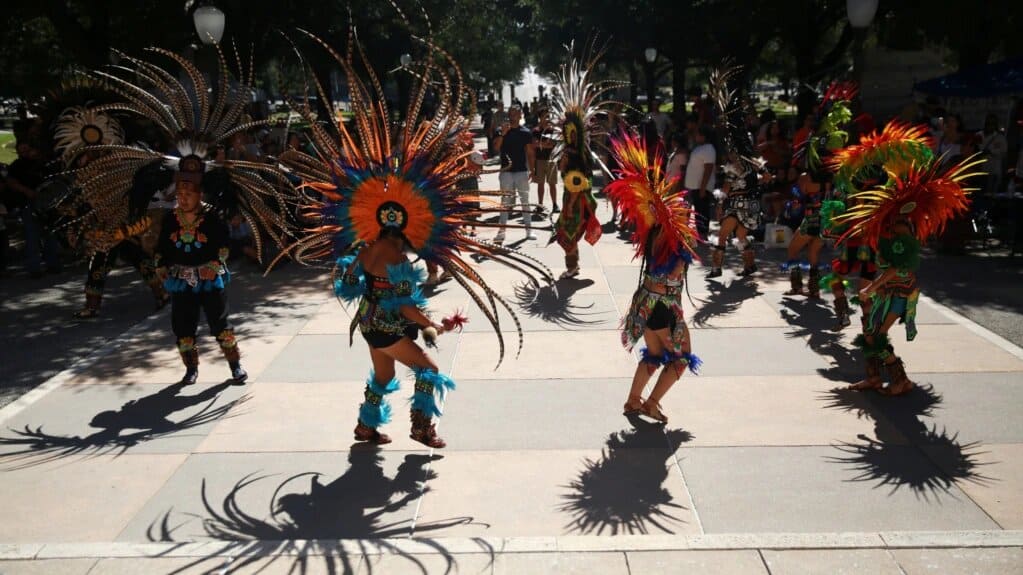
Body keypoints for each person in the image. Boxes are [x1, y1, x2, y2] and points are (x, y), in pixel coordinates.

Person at [279, 39, 554, 448]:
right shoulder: (394, 254)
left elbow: (352, 278)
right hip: (386, 325)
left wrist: (404, 310)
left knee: (384, 376)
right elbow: (403, 304)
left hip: (372, 324)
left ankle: (366, 427)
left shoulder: (371, 245)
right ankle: (421, 427)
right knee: (428, 372)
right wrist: (429, 324)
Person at [833, 146, 976, 395]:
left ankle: (902, 380)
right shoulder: (886, 223)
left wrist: (872, 287)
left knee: (876, 337)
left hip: (899, 291)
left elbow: (898, 267)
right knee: (869, 333)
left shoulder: (900, 227)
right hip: (885, 289)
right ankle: (874, 377)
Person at [605, 130, 701, 424]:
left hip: (646, 304)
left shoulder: (655, 234)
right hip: (664, 308)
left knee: (654, 354)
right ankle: (651, 403)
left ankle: (633, 400)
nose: (689, 217)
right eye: (685, 213)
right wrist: (687, 246)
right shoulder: (675, 243)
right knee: (681, 358)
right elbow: (673, 271)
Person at [155, 159, 246, 385]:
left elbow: (224, 246)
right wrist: (160, 265)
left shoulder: (212, 218)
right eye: (179, 194)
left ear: (200, 195)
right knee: (183, 326)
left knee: (220, 324)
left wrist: (214, 266)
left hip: (209, 279)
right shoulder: (170, 220)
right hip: (182, 280)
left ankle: (235, 366)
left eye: (188, 194)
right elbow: (162, 248)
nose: (182, 198)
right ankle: (191, 369)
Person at [548, 45, 614, 278]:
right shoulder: (574, 154)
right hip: (576, 196)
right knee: (568, 234)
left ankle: (572, 267)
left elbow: (576, 183)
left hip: (576, 198)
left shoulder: (576, 157)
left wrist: (568, 207)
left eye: (574, 133)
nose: (570, 136)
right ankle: (573, 266)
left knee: (566, 233)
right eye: (569, 132)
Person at [493, 105, 537, 243]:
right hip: (506, 171)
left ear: (520, 115)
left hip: (521, 171)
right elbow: (495, 148)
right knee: (505, 203)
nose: (513, 116)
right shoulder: (501, 130)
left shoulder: (525, 132)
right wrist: (503, 134)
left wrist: (533, 170)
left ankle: (529, 230)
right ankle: (501, 231)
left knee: (525, 201)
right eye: (511, 113)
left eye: (515, 114)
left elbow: (530, 152)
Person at [683, 126, 716, 240]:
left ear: (703, 136)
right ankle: (697, 233)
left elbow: (708, 169)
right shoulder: (700, 148)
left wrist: (703, 188)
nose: (695, 136)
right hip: (693, 185)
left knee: (702, 210)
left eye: (698, 134)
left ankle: (703, 233)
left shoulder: (709, 149)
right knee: (696, 209)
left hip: (700, 186)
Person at [532, 110, 560, 214]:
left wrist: (542, 144)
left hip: (551, 160)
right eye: (545, 116)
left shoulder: (552, 131)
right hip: (539, 160)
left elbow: (553, 144)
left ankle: (555, 204)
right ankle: (540, 204)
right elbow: (534, 144)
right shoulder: (536, 130)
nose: (547, 119)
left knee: (552, 184)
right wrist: (545, 144)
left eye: (548, 116)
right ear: (540, 118)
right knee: (540, 184)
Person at [978, 113, 1008, 195]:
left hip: (994, 172)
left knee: (992, 196)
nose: (990, 125)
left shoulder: (1000, 138)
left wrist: (991, 152)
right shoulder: (978, 135)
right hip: (981, 171)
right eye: (988, 123)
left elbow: (1004, 153)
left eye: (992, 123)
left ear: (995, 125)